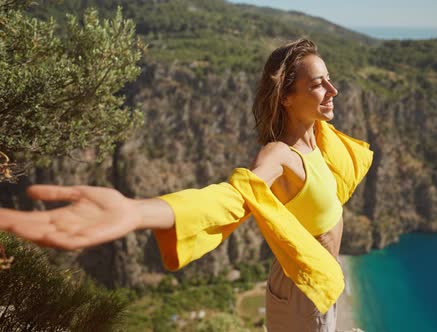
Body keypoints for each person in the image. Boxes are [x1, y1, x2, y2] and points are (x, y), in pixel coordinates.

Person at [0, 38, 373, 331]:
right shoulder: (279, 155)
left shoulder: (322, 139)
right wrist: (137, 211)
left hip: (321, 279)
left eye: (329, 80)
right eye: (319, 84)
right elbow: (234, 196)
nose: (333, 90)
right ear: (288, 98)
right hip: (300, 290)